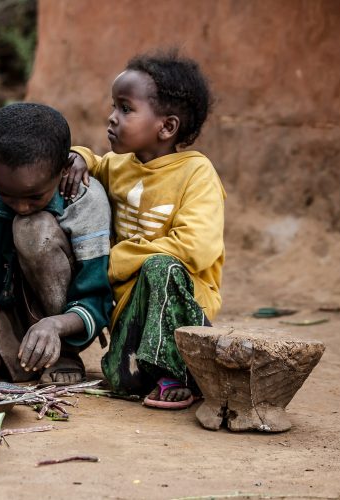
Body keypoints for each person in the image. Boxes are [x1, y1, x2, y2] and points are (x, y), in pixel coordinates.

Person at [71, 50, 225, 409]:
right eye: (113, 106)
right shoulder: (120, 165)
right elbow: (95, 162)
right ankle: (146, 368)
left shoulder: (196, 174)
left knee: (161, 266)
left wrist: (119, 258)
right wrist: (78, 155)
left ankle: (181, 373)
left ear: (167, 127)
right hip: (129, 305)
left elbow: (196, 248)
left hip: (182, 308)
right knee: (124, 383)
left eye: (125, 109)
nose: (111, 118)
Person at [0, 102, 113, 384]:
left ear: (62, 171)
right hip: (3, 313)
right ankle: (14, 352)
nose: (21, 206)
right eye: (7, 195)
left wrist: (56, 325)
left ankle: (64, 352)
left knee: (32, 228)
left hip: (62, 320)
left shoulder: (86, 200)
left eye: (34, 197)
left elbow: (96, 295)